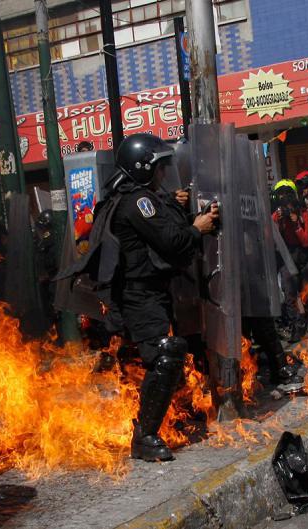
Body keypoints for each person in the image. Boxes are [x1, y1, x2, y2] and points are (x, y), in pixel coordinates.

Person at [65, 133, 219, 462]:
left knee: (172, 354)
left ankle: (171, 418)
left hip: (148, 294)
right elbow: (172, 242)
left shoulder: (138, 198)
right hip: (139, 296)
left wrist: (185, 214)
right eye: (159, 169)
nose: (164, 175)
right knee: (166, 354)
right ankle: (145, 437)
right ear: (144, 168)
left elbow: (165, 229)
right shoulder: (138, 202)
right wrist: (198, 228)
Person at [271, 179, 308, 341]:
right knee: (289, 294)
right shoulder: (276, 215)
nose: (284, 198)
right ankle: (297, 325)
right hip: (287, 256)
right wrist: (279, 221)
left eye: (287, 194)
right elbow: (273, 238)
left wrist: (295, 223)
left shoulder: (303, 213)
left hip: (305, 256)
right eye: (281, 195)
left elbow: (306, 241)